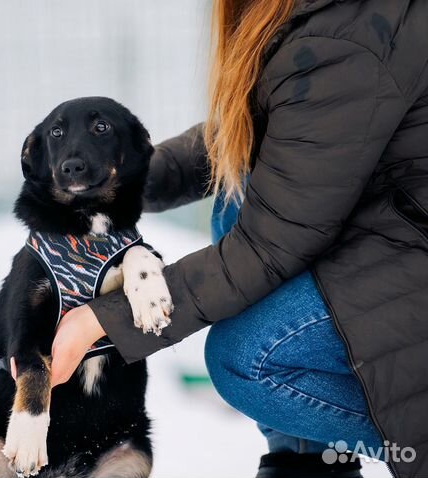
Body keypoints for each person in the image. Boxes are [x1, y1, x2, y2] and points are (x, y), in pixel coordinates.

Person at [49, 1, 428, 477]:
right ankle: (306, 462)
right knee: (237, 193)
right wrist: (114, 185)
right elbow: (264, 133)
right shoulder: (319, 20)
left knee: (251, 358)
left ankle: (407, 442)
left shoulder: (345, 34)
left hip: (410, 249)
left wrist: (101, 320)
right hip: (393, 231)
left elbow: (269, 244)